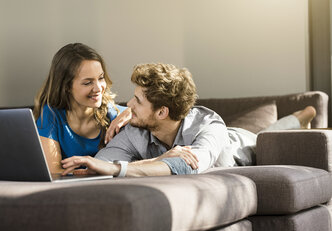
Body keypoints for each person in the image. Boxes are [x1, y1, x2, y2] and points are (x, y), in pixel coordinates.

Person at [60, 63, 316, 177]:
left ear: (162, 112)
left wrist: (119, 168)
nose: (128, 106)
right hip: (201, 142)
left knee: (266, 136)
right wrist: (158, 160)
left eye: (138, 101)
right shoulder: (137, 129)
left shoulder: (209, 126)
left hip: (240, 144)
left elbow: (188, 167)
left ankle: (300, 116)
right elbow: (101, 164)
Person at [33, 43, 131, 174]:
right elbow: (54, 172)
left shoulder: (115, 115)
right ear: (66, 86)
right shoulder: (51, 115)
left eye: (101, 78)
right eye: (88, 82)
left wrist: (131, 111)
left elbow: (155, 112)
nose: (98, 88)